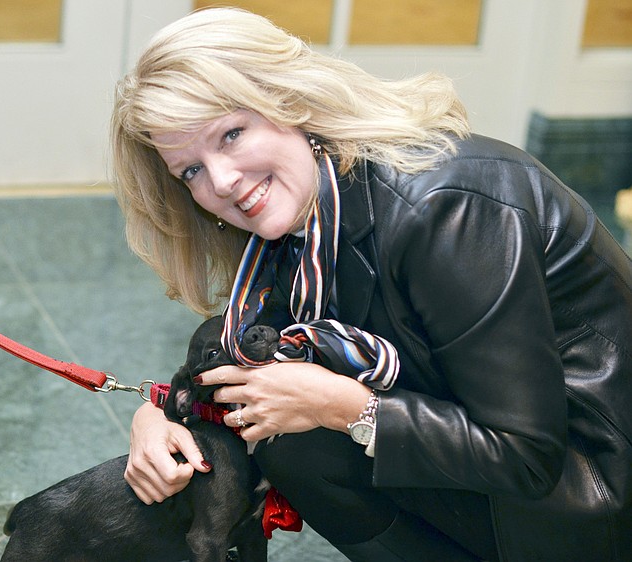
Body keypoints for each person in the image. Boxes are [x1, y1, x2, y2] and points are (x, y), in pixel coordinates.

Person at [109, 7, 632, 561]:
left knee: (303, 433)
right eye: (190, 170)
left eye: (231, 134)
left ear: (290, 101)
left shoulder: (442, 211)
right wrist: (161, 414)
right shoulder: (309, 209)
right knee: (289, 436)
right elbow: (255, 342)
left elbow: (526, 455)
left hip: (596, 480)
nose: (221, 181)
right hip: (510, 451)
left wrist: (346, 406)